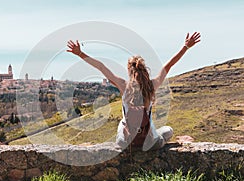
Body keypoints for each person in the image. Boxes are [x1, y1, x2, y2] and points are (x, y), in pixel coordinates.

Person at [67, 32, 201, 151]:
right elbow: (169, 65)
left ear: (129, 71)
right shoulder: (152, 86)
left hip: (125, 143)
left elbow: (101, 67)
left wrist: (80, 53)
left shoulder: (123, 86)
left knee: (122, 123)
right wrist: (186, 47)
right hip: (150, 143)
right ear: (144, 70)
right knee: (168, 130)